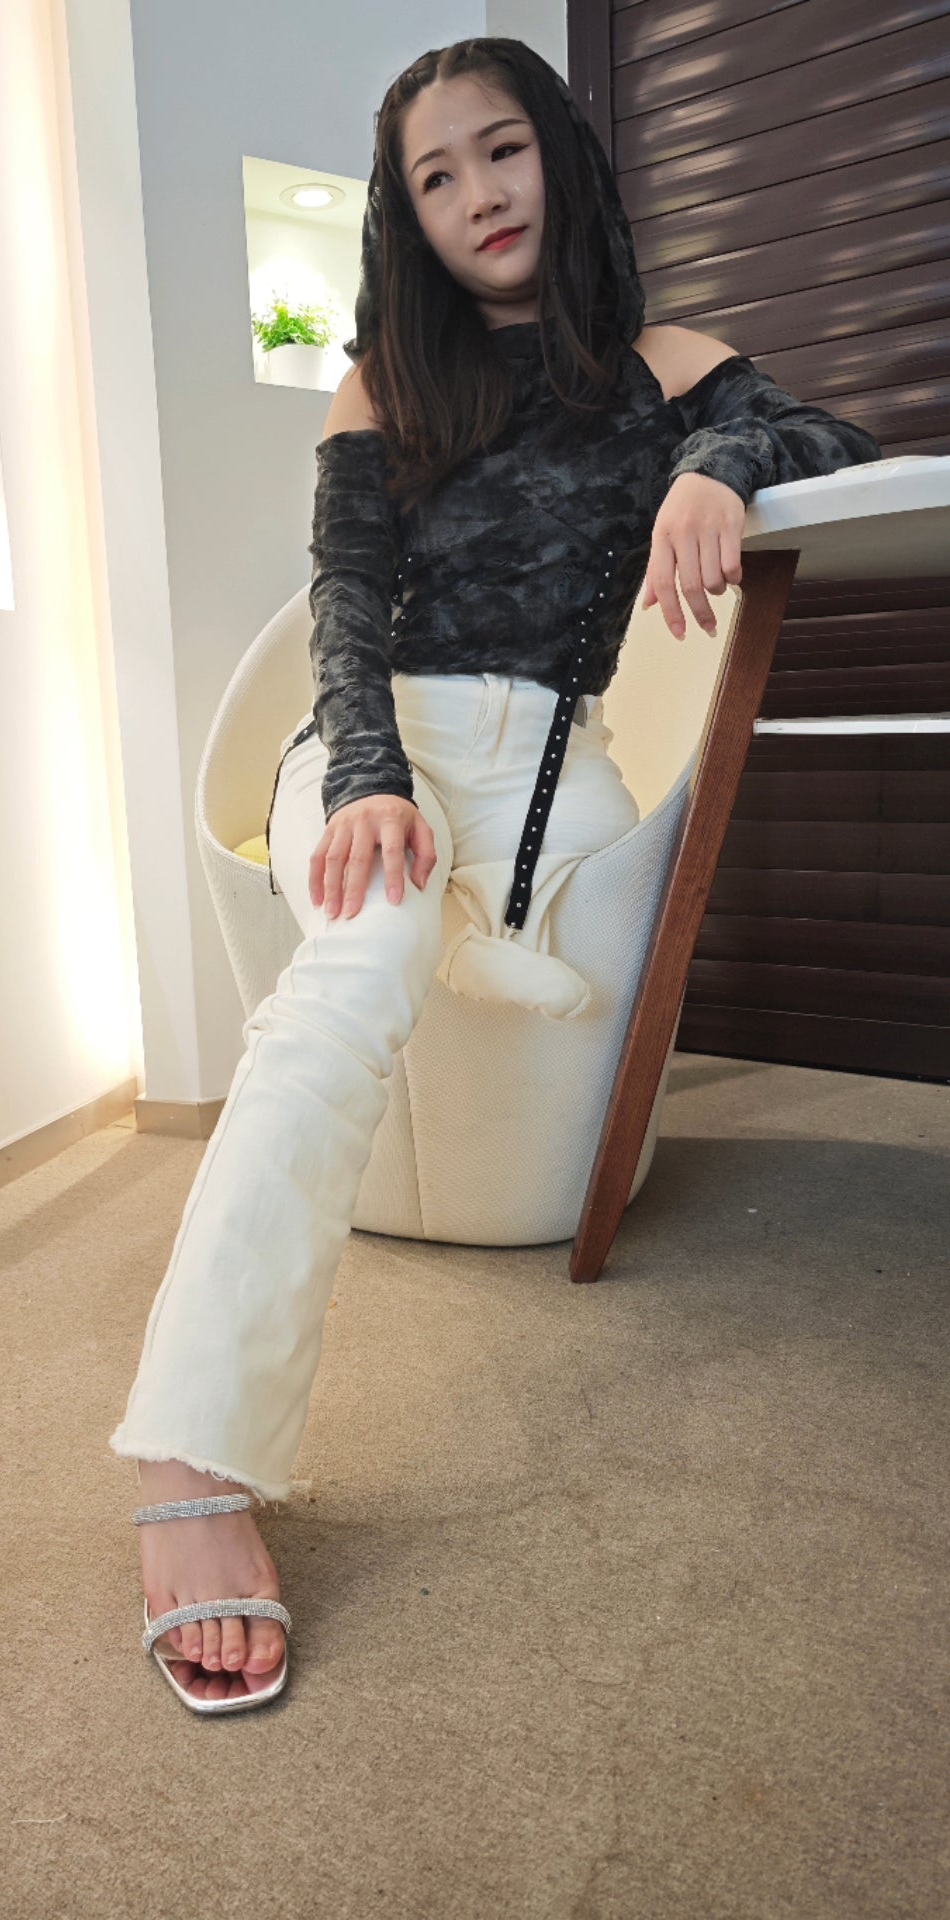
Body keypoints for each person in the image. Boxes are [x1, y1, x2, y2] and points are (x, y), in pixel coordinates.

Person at [110, 38, 883, 1712]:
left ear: (563, 157)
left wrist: (711, 461)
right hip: (381, 738)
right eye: (435, 179)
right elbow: (341, 607)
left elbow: (833, 429)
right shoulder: (386, 374)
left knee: (515, 919)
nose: (477, 198)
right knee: (357, 973)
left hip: (554, 759)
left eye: (500, 151)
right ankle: (193, 1455)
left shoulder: (669, 363)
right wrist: (369, 780)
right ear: (408, 217)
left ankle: (485, 931)